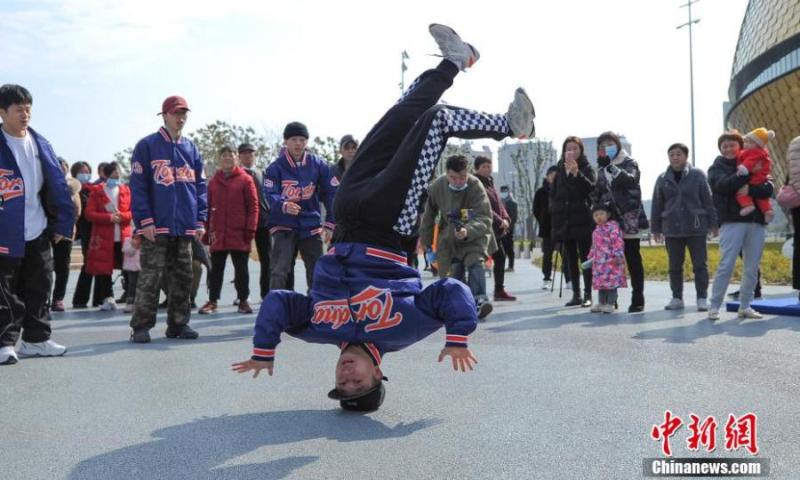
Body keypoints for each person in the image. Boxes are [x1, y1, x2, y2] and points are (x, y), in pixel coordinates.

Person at [232, 24, 535, 410]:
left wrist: (264, 348)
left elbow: (278, 301)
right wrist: (458, 336)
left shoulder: (319, 329)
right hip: (392, 227)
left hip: (346, 218)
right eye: (357, 384)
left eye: (340, 384)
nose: (346, 376)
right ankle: (513, 126)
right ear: (378, 374)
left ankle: (455, 62)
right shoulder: (404, 330)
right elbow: (450, 292)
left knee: (398, 117)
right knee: (436, 122)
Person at [0, 84, 73, 365]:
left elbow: (57, 186)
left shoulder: (41, 144)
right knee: (5, 291)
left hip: (38, 228)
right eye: (19, 109)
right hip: (6, 229)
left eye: (28, 108)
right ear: (3, 112)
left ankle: (36, 339)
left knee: (40, 285)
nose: (25, 114)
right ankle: (5, 342)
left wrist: (62, 224)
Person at [128, 95, 207, 343]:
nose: (180, 118)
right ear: (164, 116)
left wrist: (200, 220)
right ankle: (141, 327)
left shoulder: (191, 148)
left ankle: (178, 324)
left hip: (184, 226)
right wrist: (145, 221)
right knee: (150, 278)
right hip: (156, 226)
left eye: (184, 113)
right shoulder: (147, 146)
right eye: (176, 113)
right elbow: (138, 187)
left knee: (183, 277)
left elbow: (201, 187)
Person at [264, 121, 337, 293]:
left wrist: (330, 223)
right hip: (284, 225)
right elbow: (269, 193)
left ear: (306, 142)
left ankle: (316, 309)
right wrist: (283, 205)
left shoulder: (318, 164)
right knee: (280, 271)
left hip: (310, 225)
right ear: (286, 142)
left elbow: (331, 193)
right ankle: (277, 311)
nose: (298, 143)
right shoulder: (275, 167)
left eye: (302, 139)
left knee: (317, 270)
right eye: (294, 139)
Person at [706, 130, 772, 321]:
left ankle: (745, 305)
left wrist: (751, 188)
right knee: (726, 265)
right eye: (724, 146)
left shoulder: (755, 159)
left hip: (756, 221)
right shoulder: (717, 167)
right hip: (732, 221)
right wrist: (748, 173)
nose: (728, 149)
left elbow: (768, 187)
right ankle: (715, 306)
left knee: (752, 266)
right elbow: (724, 186)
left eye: (732, 145)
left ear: (741, 146)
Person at [421, 155, 496, 318]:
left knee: (475, 261)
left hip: (474, 234)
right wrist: (427, 245)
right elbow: (428, 216)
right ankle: (458, 302)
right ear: (446, 174)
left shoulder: (475, 186)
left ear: (468, 173)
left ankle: (480, 300)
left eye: (462, 177)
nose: (457, 182)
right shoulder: (437, 187)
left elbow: (484, 216)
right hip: (448, 237)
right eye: (453, 178)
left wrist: (467, 231)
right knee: (453, 271)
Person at [651, 143, 717, 311]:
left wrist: (713, 223)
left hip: (696, 226)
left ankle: (702, 298)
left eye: (678, 154)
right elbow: (657, 205)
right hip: (672, 228)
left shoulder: (697, 175)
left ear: (686, 156)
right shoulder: (662, 178)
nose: (675, 157)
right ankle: (676, 298)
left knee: (700, 265)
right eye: (671, 154)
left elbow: (708, 200)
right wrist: (656, 229)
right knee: (674, 266)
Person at [199, 146, 258, 314]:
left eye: (230, 155)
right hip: (218, 233)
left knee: (241, 269)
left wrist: (250, 229)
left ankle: (243, 300)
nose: (227, 158)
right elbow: (207, 207)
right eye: (224, 155)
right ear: (219, 159)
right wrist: (206, 231)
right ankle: (212, 301)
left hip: (239, 233)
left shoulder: (245, 179)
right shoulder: (213, 182)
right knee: (216, 269)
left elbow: (253, 207)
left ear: (236, 158)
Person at [594, 131, 647, 312]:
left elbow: (631, 180)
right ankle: (610, 299)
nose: (606, 148)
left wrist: (611, 167)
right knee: (609, 260)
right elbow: (599, 194)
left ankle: (638, 297)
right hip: (610, 222)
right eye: (602, 145)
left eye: (610, 143)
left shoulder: (629, 162)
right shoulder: (600, 170)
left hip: (629, 217)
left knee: (633, 257)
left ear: (617, 145)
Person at [550, 136, 595, 307]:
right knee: (570, 259)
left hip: (582, 219)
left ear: (581, 151)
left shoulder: (587, 168)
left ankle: (588, 294)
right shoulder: (560, 171)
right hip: (565, 221)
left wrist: (577, 174)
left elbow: (591, 188)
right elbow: (554, 194)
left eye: (575, 149)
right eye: (568, 149)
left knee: (585, 258)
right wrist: (555, 214)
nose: (572, 152)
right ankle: (576, 293)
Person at [84, 161, 132, 311]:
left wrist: (122, 216)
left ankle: (131, 297)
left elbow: (132, 212)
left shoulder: (125, 190)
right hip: (103, 237)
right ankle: (108, 297)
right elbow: (89, 214)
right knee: (103, 269)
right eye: (113, 174)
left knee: (129, 268)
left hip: (123, 236)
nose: (116, 176)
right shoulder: (97, 191)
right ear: (106, 175)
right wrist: (109, 218)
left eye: (118, 174)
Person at [473, 156, 516, 301]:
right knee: (477, 260)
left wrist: (506, 218)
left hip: (495, 230)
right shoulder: (476, 183)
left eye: (489, 166)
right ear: (477, 168)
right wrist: (499, 221)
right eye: (483, 166)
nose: (487, 169)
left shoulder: (490, 182)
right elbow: (483, 207)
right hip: (483, 228)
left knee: (500, 257)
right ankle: (476, 293)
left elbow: (499, 204)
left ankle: (498, 290)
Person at [239, 142, 271, 302]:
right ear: (239, 156)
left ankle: (266, 294)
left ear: (254, 154)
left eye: (250, 152)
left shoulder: (263, 173)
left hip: (263, 222)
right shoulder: (235, 174)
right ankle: (242, 296)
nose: (247, 155)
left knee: (267, 259)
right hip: (242, 223)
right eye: (243, 153)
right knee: (241, 260)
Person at [50, 158, 82, 312]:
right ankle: (43, 299)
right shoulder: (46, 183)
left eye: (65, 167)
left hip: (66, 233)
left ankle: (58, 299)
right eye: (59, 166)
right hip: (47, 230)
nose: (62, 169)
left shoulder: (73, 186)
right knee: (44, 268)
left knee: (63, 268)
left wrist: (63, 227)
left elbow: (76, 210)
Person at [71, 162, 103, 308]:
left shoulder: (95, 189)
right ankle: (80, 299)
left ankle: (99, 298)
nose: (86, 173)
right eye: (82, 171)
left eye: (87, 171)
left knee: (99, 264)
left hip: (99, 230)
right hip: (85, 230)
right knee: (88, 264)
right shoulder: (73, 189)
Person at [585, 204, 626, 314]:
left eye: (601, 214)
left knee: (611, 283)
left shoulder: (612, 228)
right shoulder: (596, 230)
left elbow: (618, 242)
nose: (599, 217)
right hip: (599, 263)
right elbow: (594, 246)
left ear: (608, 214)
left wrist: (617, 255)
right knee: (601, 283)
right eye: (596, 215)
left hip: (611, 261)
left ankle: (610, 303)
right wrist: (591, 257)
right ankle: (601, 303)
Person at [736, 128, 775, 222]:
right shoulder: (762, 153)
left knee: (740, 192)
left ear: (758, 145)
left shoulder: (755, 152)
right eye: (745, 142)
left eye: (750, 142)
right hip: (761, 179)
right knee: (762, 198)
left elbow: (750, 162)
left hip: (755, 178)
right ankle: (768, 211)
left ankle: (748, 205)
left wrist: (743, 169)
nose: (746, 144)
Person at [532, 166, 557, 290]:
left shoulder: (562, 189)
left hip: (562, 227)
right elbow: (536, 210)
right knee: (547, 255)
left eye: (556, 174)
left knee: (567, 254)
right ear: (547, 176)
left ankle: (569, 279)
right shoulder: (541, 192)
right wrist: (543, 220)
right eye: (551, 174)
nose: (553, 176)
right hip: (547, 229)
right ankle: (546, 278)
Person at [499, 185, 517, 272]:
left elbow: (513, 217)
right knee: (502, 248)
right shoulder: (499, 202)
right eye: (502, 191)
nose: (503, 193)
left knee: (509, 248)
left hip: (509, 229)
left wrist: (509, 227)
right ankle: (501, 265)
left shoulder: (512, 202)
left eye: (505, 191)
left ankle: (511, 265)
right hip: (500, 228)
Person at [122, 235, 142, 313]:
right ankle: (130, 303)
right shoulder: (128, 240)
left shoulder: (146, 240)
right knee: (132, 285)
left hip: (143, 267)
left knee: (143, 286)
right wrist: (134, 246)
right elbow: (127, 252)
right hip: (132, 268)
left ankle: (141, 304)